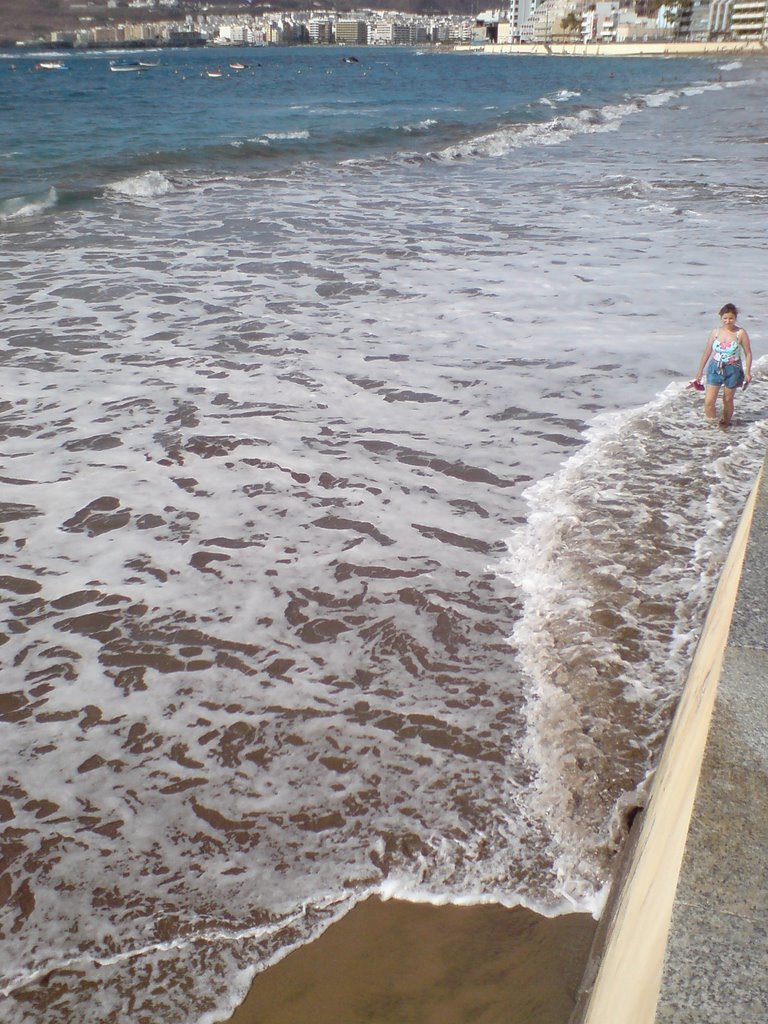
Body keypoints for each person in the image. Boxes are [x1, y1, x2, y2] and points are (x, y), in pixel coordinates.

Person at [693, 303, 752, 427]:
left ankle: (724, 425)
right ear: (721, 317)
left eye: (731, 318)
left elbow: (748, 353)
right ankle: (713, 427)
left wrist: (747, 372)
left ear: (735, 318)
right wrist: (699, 371)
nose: (728, 321)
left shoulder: (740, 333)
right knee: (709, 402)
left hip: (733, 368)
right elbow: (707, 351)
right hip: (715, 367)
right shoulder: (715, 332)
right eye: (725, 318)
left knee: (727, 400)